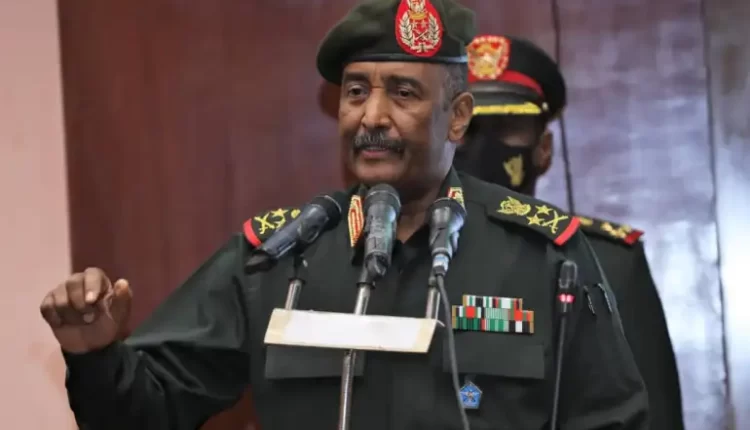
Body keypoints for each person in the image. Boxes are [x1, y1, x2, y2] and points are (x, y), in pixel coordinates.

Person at [40, 1, 648, 429]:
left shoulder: (545, 257)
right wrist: (95, 354)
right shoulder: (277, 258)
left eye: (403, 93)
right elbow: (145, 414)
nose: (371, 116)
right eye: (356, 92)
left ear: (458, 117)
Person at [454, 33, 684, 430]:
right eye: (467, 129)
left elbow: (651, 419)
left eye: (506, 127)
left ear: (543, 149)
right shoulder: (398, 254)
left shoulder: (604, 262)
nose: (482, 147)